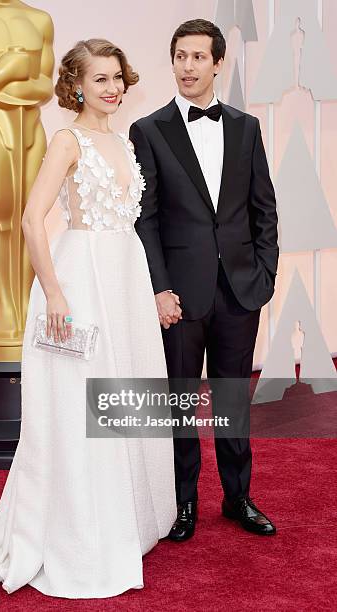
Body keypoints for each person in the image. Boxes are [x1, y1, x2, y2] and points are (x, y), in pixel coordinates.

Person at [0, 38, 177, 598]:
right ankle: (81, 534)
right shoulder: (67, 140)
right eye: (100, 79)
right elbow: (33, 220)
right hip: (80, 283)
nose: (112, 88)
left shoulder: (123, 141)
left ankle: (126, 521)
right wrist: (55, 294)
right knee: (81, 409)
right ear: (76, 85)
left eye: (118, 78)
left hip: (126, 280)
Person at [130, 19, 279, 541]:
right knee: (180, 402)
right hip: (179, 295)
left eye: (198, 57)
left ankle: (238, 497)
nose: (187, 66)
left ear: (218, 63)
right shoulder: (147, 131)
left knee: (233, 400)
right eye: (179, 56)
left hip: (241, 290)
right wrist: (158, 288)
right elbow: (144, 218)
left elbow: (264, 208)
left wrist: (265, 274)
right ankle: (183, 501)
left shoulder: (245, 127)